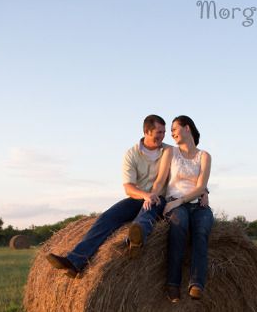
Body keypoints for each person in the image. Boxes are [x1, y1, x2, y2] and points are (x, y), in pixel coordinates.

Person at [45, 114, 169, 277]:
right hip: (138, 197)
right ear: (147, 131)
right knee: (107, 218)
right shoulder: (131, 154)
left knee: (146, 213)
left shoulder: (169, 151)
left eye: (163, 132)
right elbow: (128, 188)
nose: (162, 136)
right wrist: (145, 195)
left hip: (160, 200)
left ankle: (134, 240)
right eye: (159, 132)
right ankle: (75, 261)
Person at [126, 116, 213, 302]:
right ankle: (173, 285)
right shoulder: (170, 152)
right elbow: (160, 180)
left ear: (187, 128)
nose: (171, 134)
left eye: (174, 129)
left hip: (197, 205)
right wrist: (152, 195)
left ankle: (197, 283)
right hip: (173, 202)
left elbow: (200, 187)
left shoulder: (204, 156)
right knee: (178, 228)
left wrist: (183, 200)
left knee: (202, 231)